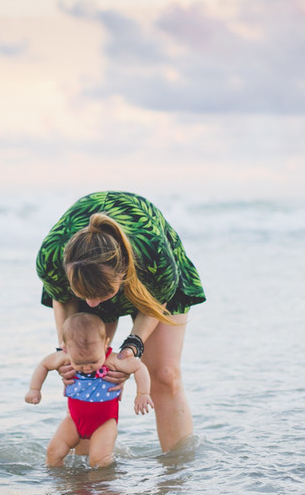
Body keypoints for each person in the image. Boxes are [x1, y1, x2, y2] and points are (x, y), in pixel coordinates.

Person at [35, 191, 205, 454]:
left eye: (101, 296)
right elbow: (64, 300)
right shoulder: (52, 255)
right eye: (85, 296)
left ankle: (177, 479)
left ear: (124, 273)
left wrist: (132, 347)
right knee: (84, 368)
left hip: (152, 279)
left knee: (165, 375)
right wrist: (66, 352)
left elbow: (156, 303)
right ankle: (89, 480)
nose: (92, 306)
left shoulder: (154, 252)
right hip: (88, 272)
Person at [26, 312, 153, 467]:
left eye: (93, 361)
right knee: (54, 452)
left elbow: (139, 367)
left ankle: (104, 488)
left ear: (105, 344)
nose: (86, 368)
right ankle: (61, 488)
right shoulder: (64, 357)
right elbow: (44, 364)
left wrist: (142, 393)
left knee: (99, 461)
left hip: (104, 423)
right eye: (79, 363)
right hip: (73, 420)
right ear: (65, 348)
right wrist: (34, 388)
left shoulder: (112, 359)